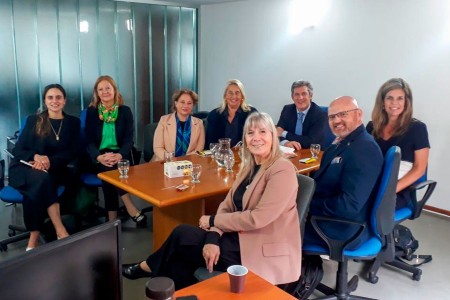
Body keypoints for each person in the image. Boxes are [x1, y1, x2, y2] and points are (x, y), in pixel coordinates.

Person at [122, 112, 301, 289]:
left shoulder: (282, 169)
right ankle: (175, 287)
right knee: (180, 254)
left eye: (263, 132)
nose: (256, 138)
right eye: (250, 133)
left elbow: (257, 218)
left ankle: (149, 267)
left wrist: (213, 221)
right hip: (239, 236)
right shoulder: (250, 166)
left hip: (261, 248)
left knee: (182, 237)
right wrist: (213, 237)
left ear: (273, 136)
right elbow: (227, 205)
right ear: (245, 138)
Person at [304, 96, 383, 249]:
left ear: (358, 114)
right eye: (332, 117)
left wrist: (306, 204)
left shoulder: (364, 148)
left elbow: (348, 205)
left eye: (343, 114)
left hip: (340, 228)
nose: (336, 120)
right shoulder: (343, 142)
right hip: (329, 217)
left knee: (276, 225)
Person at [8, 84, 80, 250]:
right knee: (40, 180)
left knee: (39, 183)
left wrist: (49, 161)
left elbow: (72, 151)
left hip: (54, 169)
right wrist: (36, 157)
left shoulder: (72, 123)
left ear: (64, 101)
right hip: (25, 167)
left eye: (58, 97)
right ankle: (59, 229)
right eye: (50, 97)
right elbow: (19, 149)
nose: (54, 101)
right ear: (45, 101)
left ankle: (33, 238)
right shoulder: (34, 120)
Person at [84, 75, 146, 226]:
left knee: (110, 169)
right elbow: (89, 140)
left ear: (114, 90)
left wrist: (119, 155)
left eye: (108, 88)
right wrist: (99, 157)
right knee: (108, 167)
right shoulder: (92, 112)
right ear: (97, 93)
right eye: (101, 89)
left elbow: (128, 139)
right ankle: (130, 207)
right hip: (98, 156)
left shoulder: (125, 111)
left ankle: (111, 218)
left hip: (121, 154)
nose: (105, 92)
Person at [367, 78, 430, 209]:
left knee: (363, 206)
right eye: (390, 98)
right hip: (372, 183)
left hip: (399, 189)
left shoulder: (417, 128)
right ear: (382, 102)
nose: (394, 103)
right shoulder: (372, 127)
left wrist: (389, 191)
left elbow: (420, 169)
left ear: (406, 102)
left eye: (400, 98)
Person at [152, 89, 205, 161]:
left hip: (189, 163)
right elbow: (158, 147)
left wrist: (185, 161)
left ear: (193, 105)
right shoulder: (164, 120)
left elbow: (199, 148)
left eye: (189, 103)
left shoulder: (199, 123)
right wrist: (172, 160)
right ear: (176, 103)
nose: (186, 106)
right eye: (182, 102)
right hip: (165, 162)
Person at [276, 80, 329, 150]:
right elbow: (277, 133)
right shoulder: (287, 110)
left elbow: (311, 142)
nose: (300, 98)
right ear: (292, 97)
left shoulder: (320, 114)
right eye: (296, 94)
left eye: (304, 94)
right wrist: (285, 142)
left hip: (313, 154)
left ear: (310, 96)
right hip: (291, 152)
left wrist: (284, 133)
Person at [205, 79, 257, 147]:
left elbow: (255, 138)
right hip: (220, 155)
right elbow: (210, 143)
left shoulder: (252, 114)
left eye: (237, 93)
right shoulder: (214, 115)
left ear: (242, 96)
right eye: (230, 93)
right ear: (225, 96)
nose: (234, 96)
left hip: (244, 155)